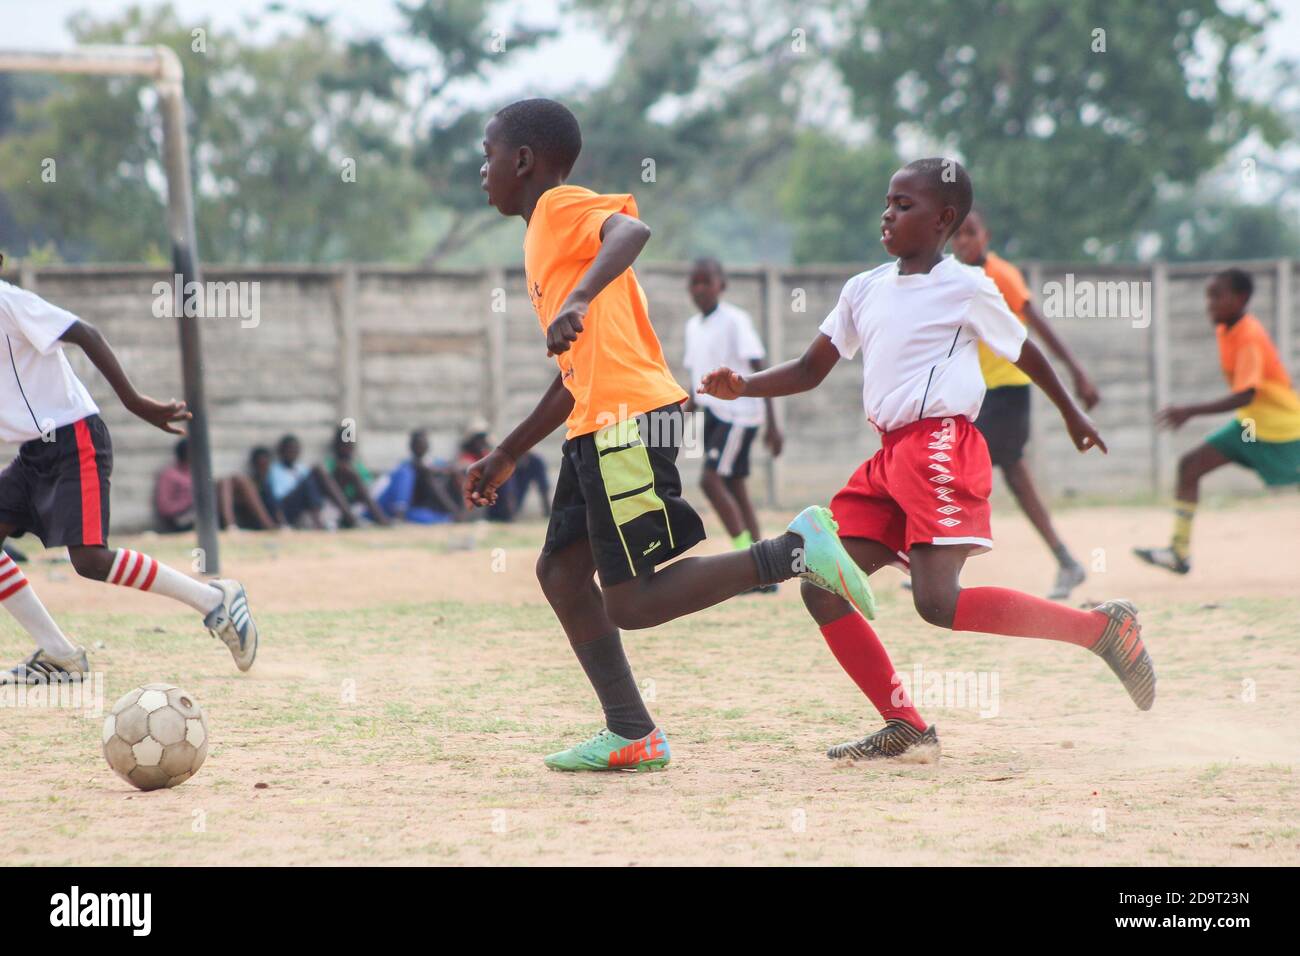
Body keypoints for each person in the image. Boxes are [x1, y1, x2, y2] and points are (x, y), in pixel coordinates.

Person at [465, 97, 875, 772]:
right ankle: (631, 730)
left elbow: (632, 231)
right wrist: (510, 450)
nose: (482, 170)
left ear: (524, 160)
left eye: (487, 156)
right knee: (561, 572)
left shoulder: (559, 208)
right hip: (596, 420)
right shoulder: (541, 237)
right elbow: (573, 370)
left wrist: (576, 297)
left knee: (629, 600)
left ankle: (794, 550)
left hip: (626, 421)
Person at [698, 158, 1156, 762]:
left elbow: (1023, 352)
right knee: (821, 585)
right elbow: (811, 369)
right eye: (887, 202)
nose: (888, 214)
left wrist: (1072, 412)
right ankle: (906, 724)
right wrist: (745, 387)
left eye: (904, 205)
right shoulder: (863, 289)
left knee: (937, 603)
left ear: (943, 219)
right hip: (889, 457)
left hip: (940, 443)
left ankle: (1102, 629)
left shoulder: (967, 286)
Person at [0, 276, 258, 683]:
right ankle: (60, 655)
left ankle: (214, 599)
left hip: (74, 439)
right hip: (34, 451)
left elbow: (86, 332)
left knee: (89, 559)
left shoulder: (9, 302)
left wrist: (135, 402)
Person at [951, 207, 1098, 599]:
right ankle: (1066, 561)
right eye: (957, 235)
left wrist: (1077, 372)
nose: (963, 241)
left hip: (1009, 391)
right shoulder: (956, 278)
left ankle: (939, 565)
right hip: (983, 394)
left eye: (971, 233)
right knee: (1012, 477)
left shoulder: (1000, 274)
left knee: (960, 467)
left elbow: (1038, 327)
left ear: (986, 236)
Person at [1135, 268, 1300, 573]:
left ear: (1241, 298)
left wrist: (1189, 410)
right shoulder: (1226, 329)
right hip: (1251, 425)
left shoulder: (1248, 336)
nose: (1209, 304)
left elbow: (1245, 395)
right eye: (1208, 296)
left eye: (1216, 296)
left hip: (1282, 430)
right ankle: (1178, 552)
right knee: (1190, 466)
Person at [682, 257, 783, 592]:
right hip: (713, 415)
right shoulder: (693, 327)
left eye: (705, 282)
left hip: (738, 415)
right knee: (735, 487)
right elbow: (698, 381)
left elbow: (759, 367)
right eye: (694, 282)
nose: (699, 289)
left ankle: (746, 563)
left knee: (711, 481)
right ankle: (765, 571)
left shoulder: (736, 321)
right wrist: (681, 415)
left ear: (721, 285)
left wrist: (773, 423)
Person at [458, 422, 549, 522]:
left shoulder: (534, 461)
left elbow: (543, 488)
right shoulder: (469, 459)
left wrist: (548, 514)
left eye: (482, 439)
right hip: (489, 507)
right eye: (477, 440)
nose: (480, 443)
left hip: (507, 506)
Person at [376, 429, 462, 524]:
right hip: (408, 506)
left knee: (434, 518)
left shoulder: (436, 463)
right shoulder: (405, 466)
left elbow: (450, 469)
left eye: (422, 442)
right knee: (406, 473)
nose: (420, 446)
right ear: (411, 446)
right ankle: (399, 513)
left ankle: (456, 513)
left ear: (428, 445)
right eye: (417, 443)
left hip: (427, 507)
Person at [325, 426, 391, 527]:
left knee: (384, 480)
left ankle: (377, 516)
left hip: (360, 504)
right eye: (344, 445)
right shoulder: (330, 464)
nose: (348, 448)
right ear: (337, 445)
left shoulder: (357, 464)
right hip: (339, 507)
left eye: (350, 444)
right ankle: (379, 519)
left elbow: (368, 486)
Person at [218, 446, 279, 531]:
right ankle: (230, 525)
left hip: (263, 519)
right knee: (225, 482)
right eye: (260, 465)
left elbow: (276, 507)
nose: (262, 468)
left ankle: (269, 526)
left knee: (243, 482)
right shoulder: (251, 480)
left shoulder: (271, 481)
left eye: (264, 465)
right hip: (246, 516)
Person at [154, 437, 195, 533]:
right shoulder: (169, 475)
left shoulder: (194, 473)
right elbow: (164, 507)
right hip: (179, 518)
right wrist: (188, 501)